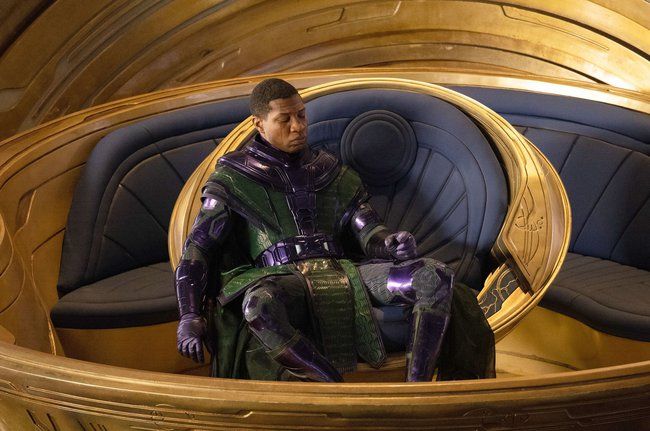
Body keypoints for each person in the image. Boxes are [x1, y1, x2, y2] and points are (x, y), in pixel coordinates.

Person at [175, 78, 494, 382]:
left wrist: (390, 243)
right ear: (259, 124)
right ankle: (334, 390)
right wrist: (189, 315)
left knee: (432, 276)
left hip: (347, 271)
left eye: (301, 115)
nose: (298, 126)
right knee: (258, 306)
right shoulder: (232, 178)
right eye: (284, 119)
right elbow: (198, 248)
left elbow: (369, 231)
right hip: (282, 279)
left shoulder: (330, 170)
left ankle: (418, 392)